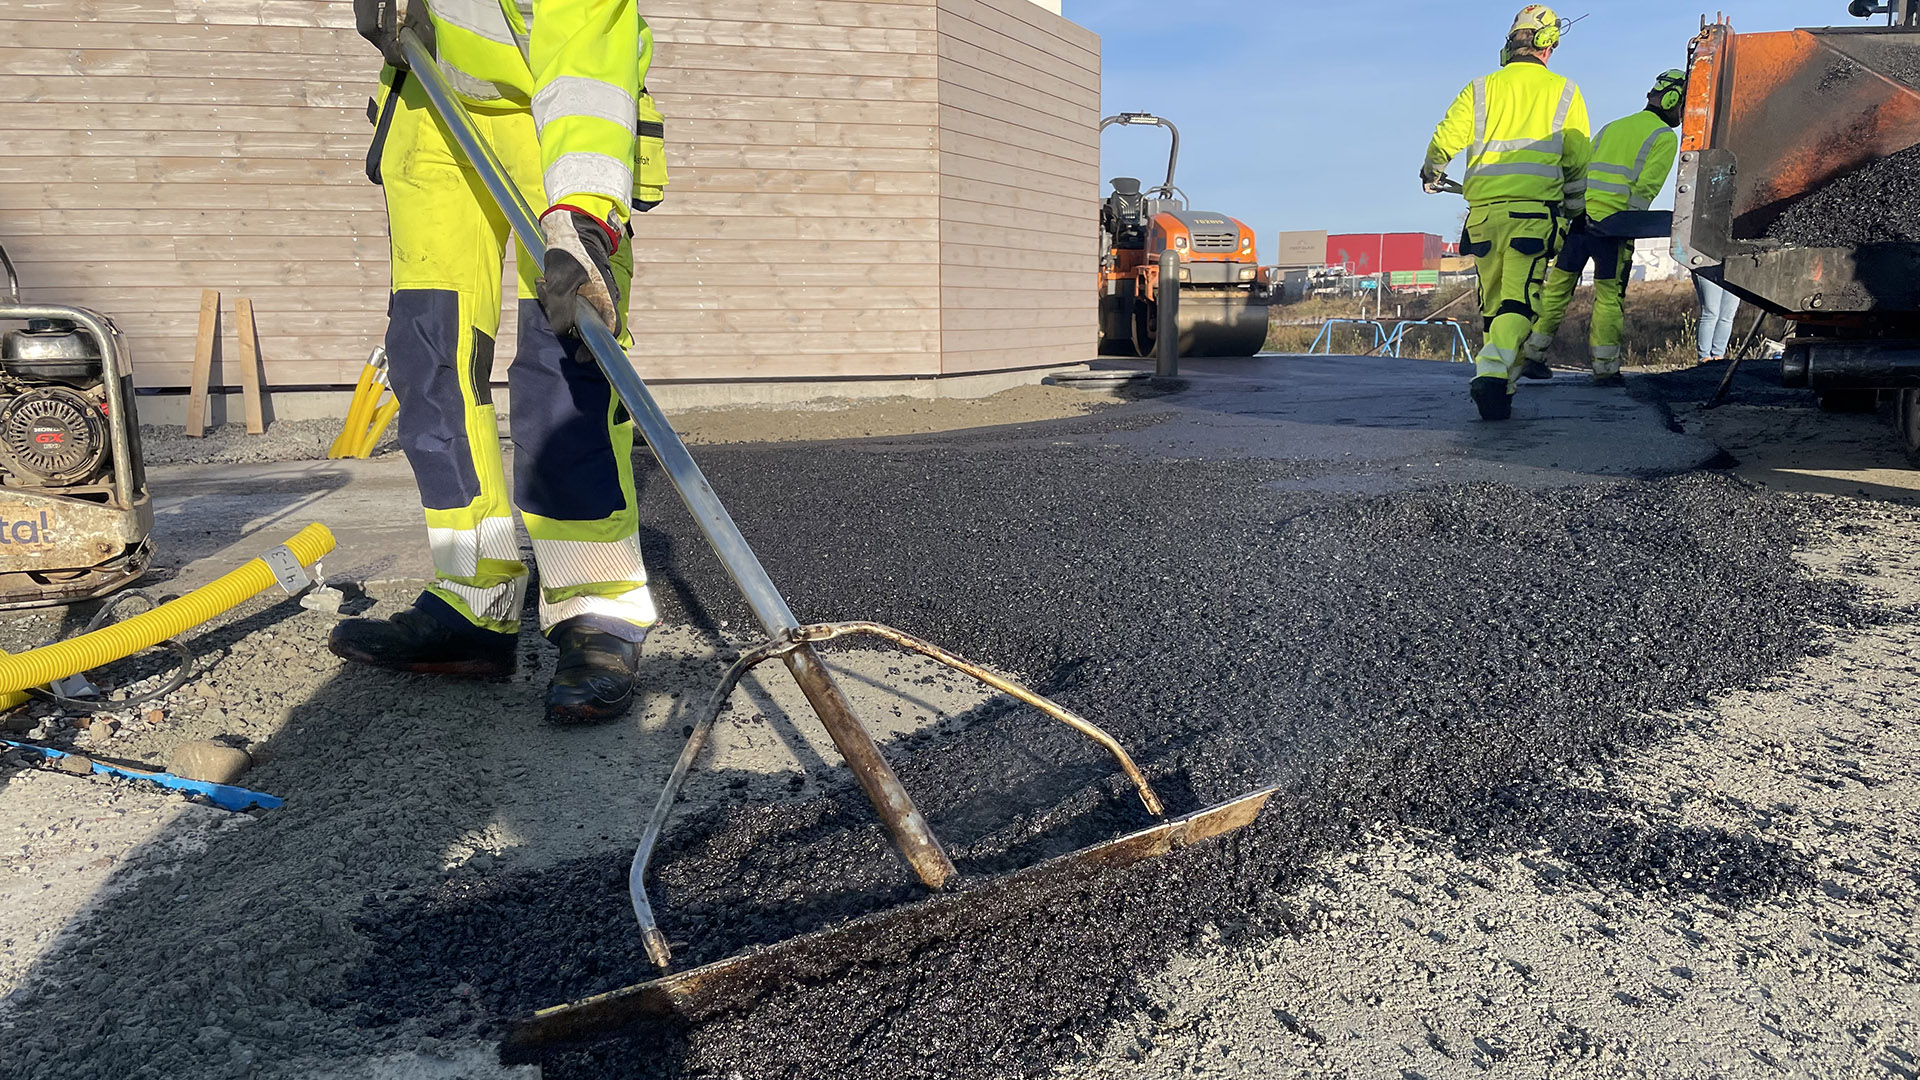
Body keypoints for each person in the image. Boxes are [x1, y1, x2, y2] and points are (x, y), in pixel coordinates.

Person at [335, 0, 670, 724]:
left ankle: (597, 613)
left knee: (564, 366)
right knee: (430, 365)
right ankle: (473, 595)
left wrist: (583, 209)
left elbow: (587, 51)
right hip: (430, 117)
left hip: (555, 126)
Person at [1421, 4, 1591, 421]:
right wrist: (1572, 212)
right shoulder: (1564, 91)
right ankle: (1493, 373)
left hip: (1481, 217)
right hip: (1531, 217)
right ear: (1548, 44)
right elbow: (1577, 163)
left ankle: (1502, 391)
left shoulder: (1480, 88)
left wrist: (1432, 170)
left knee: (1496, 307)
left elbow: (1444, 139)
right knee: (1520, 305)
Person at [1522, 69, 1686, 386]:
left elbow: (1581, 170)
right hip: (1613, 228)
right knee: (1609, 298)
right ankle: (1605, 369)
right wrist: (1630, 226)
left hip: (1581, 222)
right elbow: (1645, 190)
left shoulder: (1612, 127)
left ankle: (1533, 355)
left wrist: (1575, 213)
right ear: (1672, 100)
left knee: (1556, 290)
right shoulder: (1664, 137)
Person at [1694, 274, 1742, 362]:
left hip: (1734, 270)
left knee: (1727, 316)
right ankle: (1704, 357)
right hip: (1707, 268)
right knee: (1710, 314)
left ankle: (1718, 355)